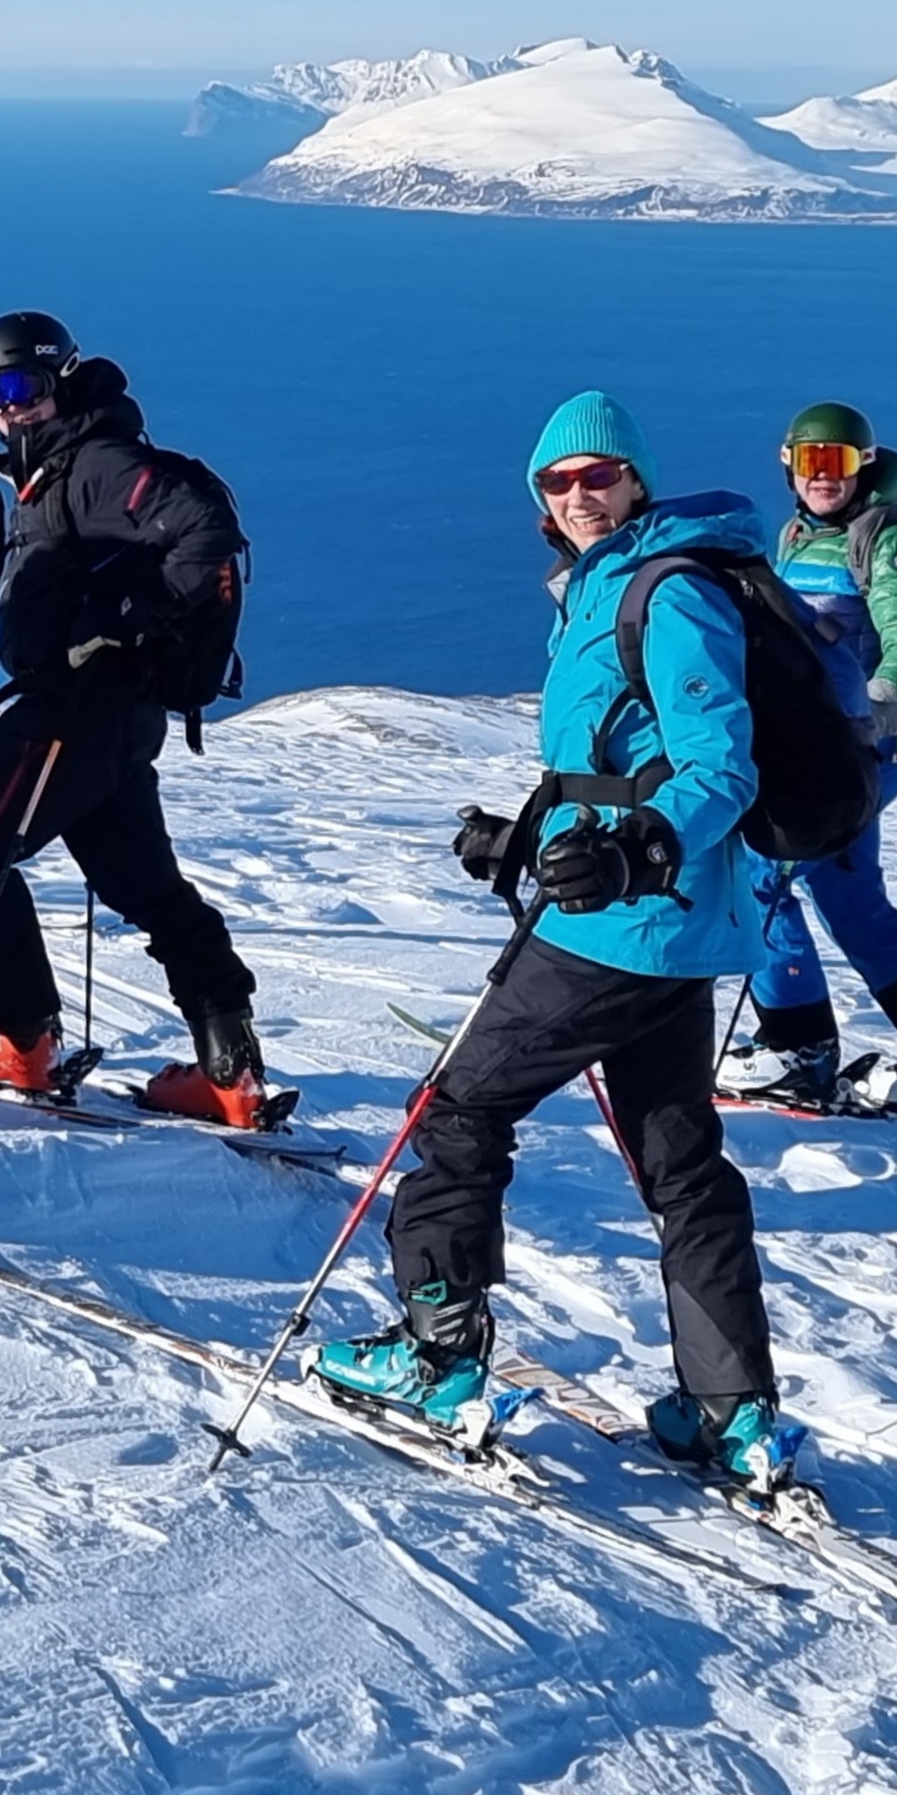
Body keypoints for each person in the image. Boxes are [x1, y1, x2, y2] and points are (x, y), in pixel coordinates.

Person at [318, 391, 802, 1489]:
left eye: (599, 475)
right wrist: (530, 835)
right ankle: (727, 1410)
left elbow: (720, 766)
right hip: (657, 926)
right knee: (682, 1161)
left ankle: (436, 1356)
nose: (579, 494)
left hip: (624, 925)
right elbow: (608, 759)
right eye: (558, 480)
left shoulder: (667, 593)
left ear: (636, 480)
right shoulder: (602, 588)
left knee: (457, 1107)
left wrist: (635, 852)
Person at [0, 311, 273, 1125]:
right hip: (116, 720)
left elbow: (204, 531)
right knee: (148, 890)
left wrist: (122, 623)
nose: (8, 409)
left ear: (62, 379)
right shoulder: (59, 467)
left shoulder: (96, 462)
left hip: (69, 716)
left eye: (20, 387)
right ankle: (229, 1080)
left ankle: (16, 1042)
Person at [723, 401, 897, 1124]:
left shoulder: (887, 540)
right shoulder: (793, 534)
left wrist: (868, 714)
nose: (825, 478)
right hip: (824, 750)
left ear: (864, 465)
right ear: (786, 462)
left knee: (760, 880)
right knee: (853, 902)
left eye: (840, 463)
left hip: (855, 752)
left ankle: (798, 1050)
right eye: (812, 462)